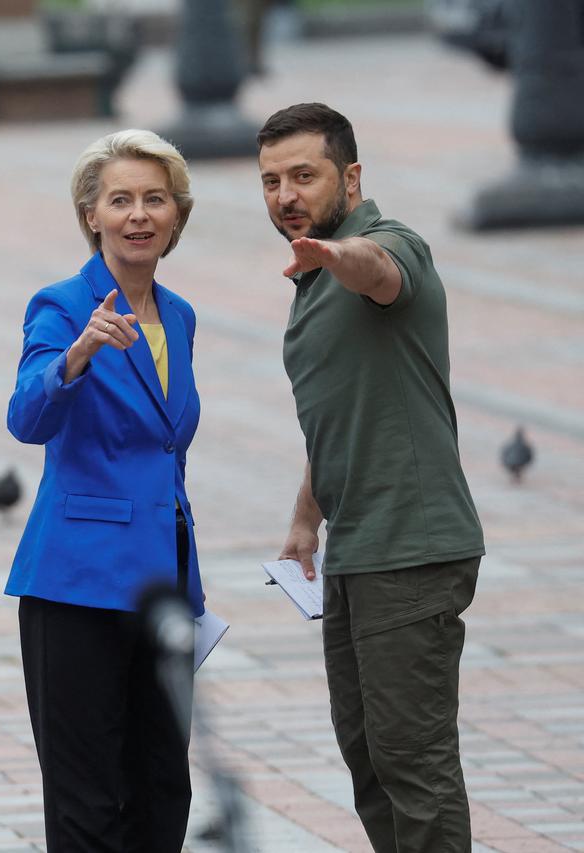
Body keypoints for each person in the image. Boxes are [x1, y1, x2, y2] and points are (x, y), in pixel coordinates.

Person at [258, 102, 485, 853]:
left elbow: (380, 274)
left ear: (350, 177)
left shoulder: (385, 245)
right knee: (371, 762)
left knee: (413, 765)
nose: (286, 195)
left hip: (411, 548)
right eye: (270, 182)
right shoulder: (313, 277)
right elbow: (347, 412)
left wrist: (334, 254)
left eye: (303, 175)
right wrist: (305, 517)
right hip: (358, 549)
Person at [6, 129, 205, 852]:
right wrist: (78, 355)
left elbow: (165, 450)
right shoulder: (61, 306)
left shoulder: (178, 316)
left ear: (176, 216)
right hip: (77, 584)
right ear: (91, 214)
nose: (138, 214)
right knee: (88, 802)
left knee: (162, 791)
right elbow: (26, 414)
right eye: (120, 199)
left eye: (155, 199)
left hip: (164, 586)